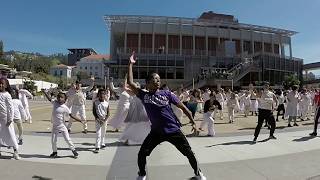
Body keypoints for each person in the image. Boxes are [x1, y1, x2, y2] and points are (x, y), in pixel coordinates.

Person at [127, 52, 206, 180]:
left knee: (189, 153)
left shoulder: (167, 94)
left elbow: (184, 107)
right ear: (147, 83)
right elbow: (130, 82)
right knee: (142, 154)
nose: (158, 81)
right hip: (156, 132)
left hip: (173, 130)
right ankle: (142, 174)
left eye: (159, 79)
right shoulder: (144, 95)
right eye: (154, 79)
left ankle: (199, 174)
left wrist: (193, 122)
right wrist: (130, 64)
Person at [42, 89, 82, 158]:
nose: (59, 98)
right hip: (55, 126)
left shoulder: (65, 108)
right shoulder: (55, 102)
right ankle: (55, 152)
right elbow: (49, 99)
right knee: (53, 140)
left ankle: (73, 150)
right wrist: (45, 92)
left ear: (65, 99)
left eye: (61, 97)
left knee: (67, 139)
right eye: (58, 97)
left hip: (62, 126)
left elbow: (71, 115)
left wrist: (80, 120)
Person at [0, 78, 20, 160]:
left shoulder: (7, 95)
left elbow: (11, 108)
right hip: (0, 118)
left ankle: (15, 151)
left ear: (5, 85)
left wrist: (10, 119)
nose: (0, 85)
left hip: (6, 119)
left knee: (11, 135)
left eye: (2, 83)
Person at [92, 89, 110, 153]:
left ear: (105, 95)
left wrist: (104, 120)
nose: (102, 95)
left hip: (104, 120)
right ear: (98, 95)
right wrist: (97, 118)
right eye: (100, 94)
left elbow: (108, 113)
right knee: (98, 133)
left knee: (103, 132)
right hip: (98, 120)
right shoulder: (95, 102)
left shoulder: (106, 103)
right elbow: (94, 112)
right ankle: (97, 146)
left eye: (103, 94)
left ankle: (102, 143)